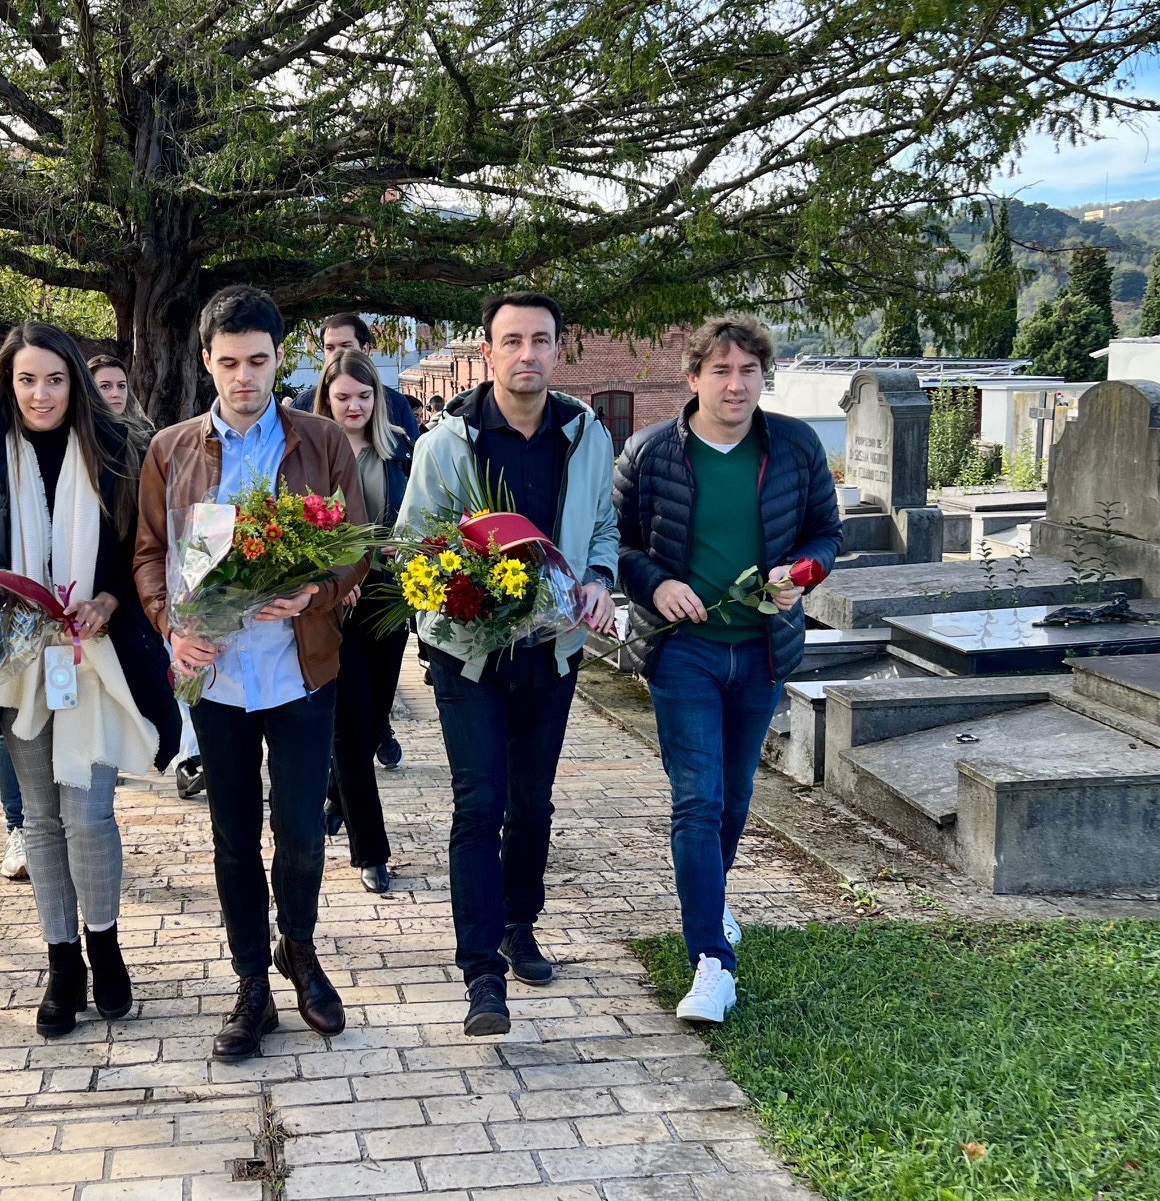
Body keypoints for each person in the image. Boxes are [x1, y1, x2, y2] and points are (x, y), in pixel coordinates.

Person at [134, 285, 368, 1061]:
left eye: (258, 361)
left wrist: (318, 589)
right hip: (219, 677)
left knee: (300, 831)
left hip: (303, 669)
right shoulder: (171, 449)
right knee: (233, 837)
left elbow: (356, 544)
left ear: (280, 359)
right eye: (228, 362)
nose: (244, 377)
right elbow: (148, 554)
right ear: (206, 360)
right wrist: (170, 626)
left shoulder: (322, 441)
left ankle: (296, 948)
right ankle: (251, 986)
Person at [398, 290, 619, 1038]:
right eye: (513, 340)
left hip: (552, 654)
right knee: (478, 804)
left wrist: (600, 581)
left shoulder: (586, 435)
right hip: (470, 660)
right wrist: (454, 600)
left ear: (559, 351)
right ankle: (481, 975)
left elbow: (605, 528)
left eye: (542, 341)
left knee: (532, 805)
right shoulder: (446, 444)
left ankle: (519, 925)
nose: (528, 354)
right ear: (487, 351)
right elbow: (413, 548)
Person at [0, 322, 182, 1037]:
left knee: (88, 815)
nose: (41, 393)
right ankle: (62, 961)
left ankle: (106, 946)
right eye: (27, 380)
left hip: (95, 656)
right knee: (41, 820)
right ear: (8, 383)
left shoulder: (118, 450)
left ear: (76, 382)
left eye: (55, 379)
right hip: (19, 661)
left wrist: (110, 599)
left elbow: (141, 546)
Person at [614, 315, 839, 1025]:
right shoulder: (650, 452)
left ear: (763, 377)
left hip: (764, 647)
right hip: (686, 650)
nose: (735, 384)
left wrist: (802, 573)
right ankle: (711, 959)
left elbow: (827, 534)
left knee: (735, 797)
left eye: (748, 371)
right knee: (697, 800)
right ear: (693, 378)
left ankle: (712, 903)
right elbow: (615, 542)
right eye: (721, 371)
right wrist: (654, 584)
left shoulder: (796, 446)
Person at [312, 349, 411, 893]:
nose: (353, 406)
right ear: (326, 397)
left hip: (389, 599)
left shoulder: (398, 450)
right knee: (350, 729)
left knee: (373, 725)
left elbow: (420, 515)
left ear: (377, 398)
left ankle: (335, 794)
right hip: (334, 603)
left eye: (363, 396)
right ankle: (370, 851)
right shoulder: (309, 451)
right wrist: (333, 578)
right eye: (342, 396)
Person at [290, 314, 422, 444]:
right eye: (330, 348)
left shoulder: (396, 404)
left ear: (365, 349)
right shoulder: (303, 405)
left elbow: (412, 456)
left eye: (346, 346)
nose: (338, 353)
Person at [87, 352, 156, 448]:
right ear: (89, 390)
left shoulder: (144, 430)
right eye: (105, 386)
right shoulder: (82, 434)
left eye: (121, 386)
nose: (116, 394)